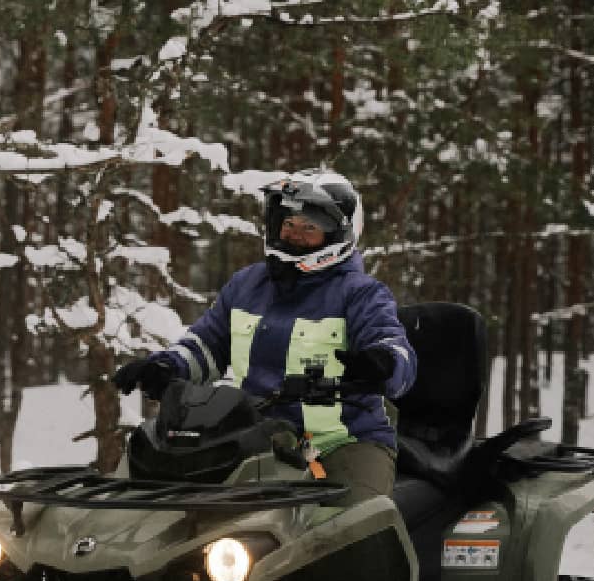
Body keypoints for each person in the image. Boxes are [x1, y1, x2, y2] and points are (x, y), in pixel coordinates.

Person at [112, 170, 416, 503]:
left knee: (354, 526)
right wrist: (164, 368)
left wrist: (381, 364)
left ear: (338, 234)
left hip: (341, 442)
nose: (294, 234)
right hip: (255, 439)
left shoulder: (361, 293)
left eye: (309, 227)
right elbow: (207, 345)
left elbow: (393, 346)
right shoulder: (247, 285)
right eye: (289, 224)